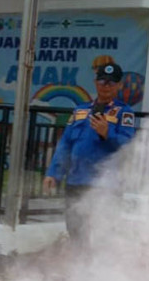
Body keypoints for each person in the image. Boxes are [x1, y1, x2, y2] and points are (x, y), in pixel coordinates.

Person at [43, 63, 136, 245]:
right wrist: (54, 173)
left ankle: (100, 270)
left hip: (105, 185)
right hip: (76, 181)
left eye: (111, 82)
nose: (106, 86)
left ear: (118, 85)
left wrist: (107, 133)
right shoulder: (80, 110)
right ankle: (80, 268)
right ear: (95, 83)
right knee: (75, 230)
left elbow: (128, 145)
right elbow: (66, 145)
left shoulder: (124, 113)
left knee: (103, 232)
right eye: (102, 81)